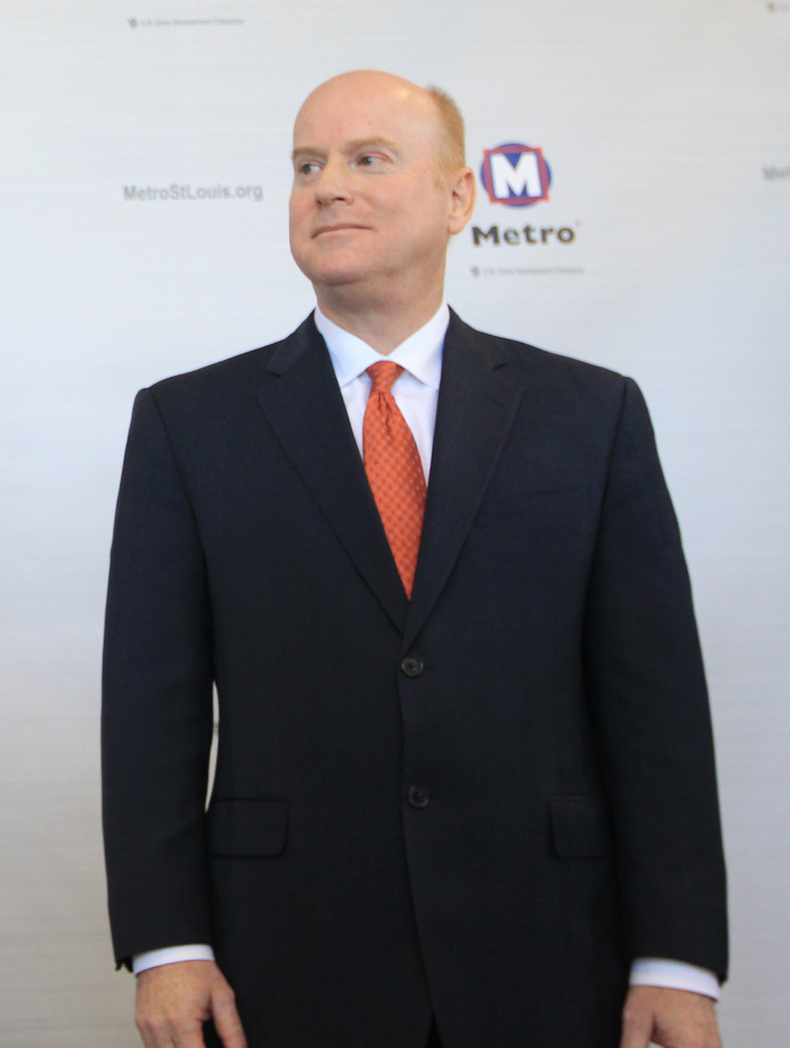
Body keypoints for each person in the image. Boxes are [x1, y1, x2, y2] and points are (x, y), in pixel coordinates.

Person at [101, 70, 726, 1048]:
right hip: (285, 961)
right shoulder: (190, 424)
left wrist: (675, 959)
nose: (328, 186)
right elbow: (151, 711)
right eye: (307, 165)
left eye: (368, 158)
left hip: (550, 951)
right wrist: (166, 944)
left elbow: (657, 708)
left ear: (459, 196)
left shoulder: (589, 415)